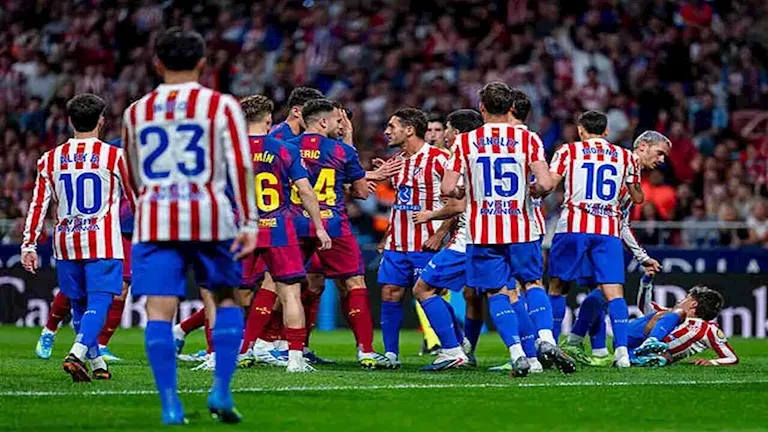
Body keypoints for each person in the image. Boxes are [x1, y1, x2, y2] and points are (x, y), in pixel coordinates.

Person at [121, 28, 258, 425]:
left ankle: (170, 405)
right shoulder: (221, 105)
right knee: (227, 298)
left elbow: (133, 172)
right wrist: (249, 220)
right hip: (211, 217)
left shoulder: (136, 112)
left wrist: (150, 204)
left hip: (156, 220)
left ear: (156, 63)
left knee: (159, 309)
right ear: (203, 63)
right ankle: (221, 390)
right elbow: (241, 165)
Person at [441, 82, 557, 377]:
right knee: (532, 284)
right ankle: (546, 338)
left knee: (496, 292)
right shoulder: (528, 139)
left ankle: (517, 353)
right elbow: (546, 184)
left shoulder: (465, 141)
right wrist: (532, 189)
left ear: (481, 107)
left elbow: (447, 187)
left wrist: (464, 190)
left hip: (483, 231)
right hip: (522, 228)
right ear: (510, 108)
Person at [22, 93, 136, 382]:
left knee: (78, 305)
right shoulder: (115, 156)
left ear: (70, 121)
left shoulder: (50, 159)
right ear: (101, 120)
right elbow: (136, 199)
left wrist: (28, 244)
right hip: (102, 241)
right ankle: (77, 353)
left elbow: (38, 205)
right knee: (99, 302)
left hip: (66, 242)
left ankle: (96, 363)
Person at [288, 98, 391, 368]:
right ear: (323, 121)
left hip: (295, 224)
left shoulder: (286, 147)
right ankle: (366, 351)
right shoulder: (340, 150)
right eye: (337, 119)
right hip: (332, 225)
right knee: (354, 283)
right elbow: (360, 192)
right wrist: (349, 141)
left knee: (288, 286)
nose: (341, 124)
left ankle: (279, 347)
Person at [554, 130, 670, 361]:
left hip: (585, 230)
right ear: (643, 146)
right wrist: (641, 256)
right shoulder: (624, 168)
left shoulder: (621, 165)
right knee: (603, 290)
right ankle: (576, 341)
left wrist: (641, 256)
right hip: (596, 233)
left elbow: (621, 221)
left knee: (598, 291)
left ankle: (593, 348)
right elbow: (620, 223)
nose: (662, 160)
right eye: (659, 153)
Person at [235, 94, 331, 372]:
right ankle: (296, 359)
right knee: (290, 293)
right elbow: (305, 191)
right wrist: (319, 227)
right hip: (278, 229)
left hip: (242, 230)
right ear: (268, 120)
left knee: (228, 294)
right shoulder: (284, 149)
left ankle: (221, 353)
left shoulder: (230, 150)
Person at [546, 110, 644, 368]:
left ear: (581, 131)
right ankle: (621, 353)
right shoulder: (626, 156)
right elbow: (637, 197)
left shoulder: (568, 151)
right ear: (606, 131)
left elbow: (550, 184)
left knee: (557, 287)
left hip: (573, 226)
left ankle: (551, 347)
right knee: (614, 291)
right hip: (607, 230)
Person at [377, 107, 454, 368]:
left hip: (426, 242)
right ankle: (391, 354)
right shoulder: (396, 161)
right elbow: (400, 202)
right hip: (396, 243)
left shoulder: (440, 158)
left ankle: (453, 347)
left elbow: (459, 201)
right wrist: (386, 236)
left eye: (392, 126)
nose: (387, 131)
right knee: (390, 292)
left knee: (430, 294)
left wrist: (441, 233)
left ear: (409, 129)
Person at [411, 108, 484, 371]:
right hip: (499, 237)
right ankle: (529, 352)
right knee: (495, 294)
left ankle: (452, 350)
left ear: (456, 132)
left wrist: (431, 217)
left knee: (423, 288)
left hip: (466, 239)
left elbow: (457, 205)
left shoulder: (459, 157)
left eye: (447, 129)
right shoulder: (490, 153)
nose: (444, 135)